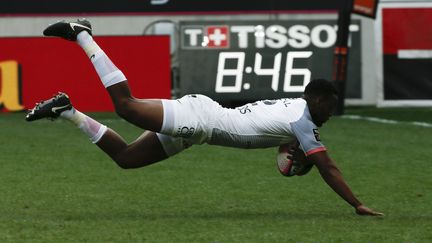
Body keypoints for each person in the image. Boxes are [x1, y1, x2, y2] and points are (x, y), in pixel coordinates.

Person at [26, 19, 383, 216]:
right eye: (329, 107)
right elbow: (328, 167)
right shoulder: (302, 119)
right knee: (126, 106)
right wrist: (356, 204)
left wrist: (298, 156)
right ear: (316, 99)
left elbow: (294, 146)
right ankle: (83, 33)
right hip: (200, 118)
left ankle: (67, 110)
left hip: (200, 130)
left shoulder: (296, 113)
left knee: (127, 159)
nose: (330, 115)